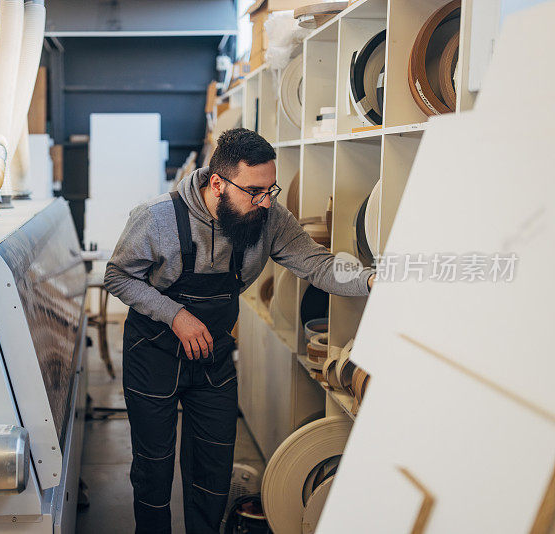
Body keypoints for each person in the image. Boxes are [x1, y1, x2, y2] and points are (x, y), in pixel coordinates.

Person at [104, 128, 375, 533]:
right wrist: (176, 315)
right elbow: (118, 277)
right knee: (153, 472)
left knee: (212, 475)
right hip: (154, 354)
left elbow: (317, 264)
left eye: (271, 190)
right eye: (254, 191)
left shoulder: (269, 218)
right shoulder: (156, 218)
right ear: (217, 183)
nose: (265, 202)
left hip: (212, 358)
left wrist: (373, 281)